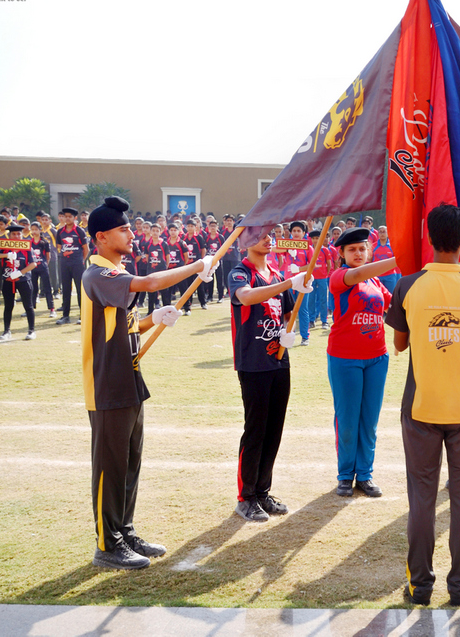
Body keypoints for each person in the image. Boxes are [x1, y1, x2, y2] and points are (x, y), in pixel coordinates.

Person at [81, 196, 214, 569]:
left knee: (129, 463)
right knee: (109, 466)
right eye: (124, 229)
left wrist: (153, 318)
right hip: (107, 382)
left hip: (130, 378)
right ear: (102, 237)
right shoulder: (99, 273)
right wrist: (197, 266)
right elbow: (151, 281)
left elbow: (123, 326)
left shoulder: (116, 271)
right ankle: (107, 545)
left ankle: (123, 530)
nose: (131, 234)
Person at [385, 204, 460, 607]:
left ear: (429, 239)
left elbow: (399, 344)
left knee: (422, 499)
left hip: (421, 409)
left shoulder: (408, 285)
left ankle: (420, 586)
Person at [228, 229, 314, 522]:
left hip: (279, 360)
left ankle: (263, 491)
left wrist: (287, 331)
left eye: (271, 234)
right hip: (253, 363)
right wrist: (291, 281)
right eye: (260, 234)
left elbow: (288, 312)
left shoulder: (277, 274)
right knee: (256, 430)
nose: (268, 238)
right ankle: (246, 496)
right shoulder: (241, 272)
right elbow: (246, 297)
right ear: (245, 242)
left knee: (274, 429)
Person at [327, 227, 396, 497]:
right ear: (342, 254)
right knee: (347, 419)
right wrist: (400, 258)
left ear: (369, 251)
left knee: (369, 420)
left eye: (362, 248)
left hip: (377, 358)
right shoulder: (340, 276)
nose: (358, 253)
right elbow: (356, 275)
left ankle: (365, 475)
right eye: (352, 249)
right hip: (345, 358)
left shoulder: (376, 283)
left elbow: (395, 308)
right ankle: (345, 475)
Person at [0, 223, 37, 342]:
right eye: (14, 234)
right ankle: (7, 331)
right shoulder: (5, 246)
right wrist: (6, 254)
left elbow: (33, 264)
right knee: (8, 306)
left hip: (23, 279)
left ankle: (31, 330)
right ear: (9, 235)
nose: (16, 236)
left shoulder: (27, 247)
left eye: (18, 234)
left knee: (28, 305)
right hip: (8, 280)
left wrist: (20, 273)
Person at [56, 207, 89, 325]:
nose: (67, 218)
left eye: (70, 216)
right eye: (65, 216)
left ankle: (83, 315)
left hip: (77, 264)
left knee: (81, 290)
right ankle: (65, 316)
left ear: (75, 218)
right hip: (64, 264)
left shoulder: (79, 231)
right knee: (65, 289)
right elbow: (59, 247)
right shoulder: (60, 232)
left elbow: (86, 249)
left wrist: (81, 261)